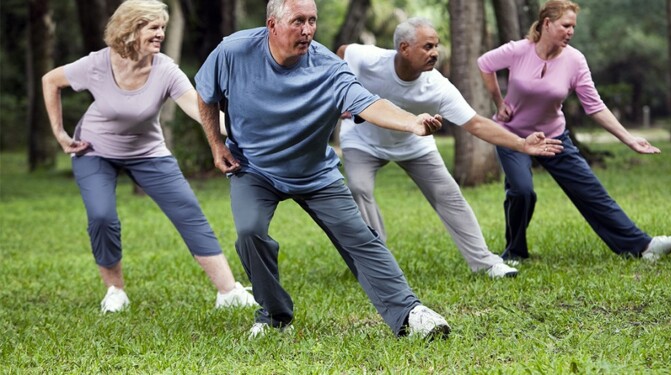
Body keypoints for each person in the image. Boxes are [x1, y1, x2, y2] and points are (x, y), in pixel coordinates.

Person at [194, 0, 451, 339]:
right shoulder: (234, 51)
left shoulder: (329, 68)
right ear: (272, 25)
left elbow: (369, 102)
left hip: (314, 173)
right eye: (298, 21)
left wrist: (411, 123)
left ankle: (410, 313)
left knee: (361, 239)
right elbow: (205, 94)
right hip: (254, 168)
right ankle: (274, 317)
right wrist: (216, 145)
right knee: (249, 232)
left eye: (312, 20)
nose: (308, 30)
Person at [41, 0, 257, 313]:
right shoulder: (98, 64)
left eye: (163, 28)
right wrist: (59, 133)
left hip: (147, 151)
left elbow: (201, 111)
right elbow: (51, 80)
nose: (160, 34)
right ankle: (115, 290)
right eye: (153, 27)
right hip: (94, 149)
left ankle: (228, 291)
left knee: (189, 212)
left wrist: (247, 130)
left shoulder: (166, 70)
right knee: (102, 217)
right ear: (130, 29)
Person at [336, 18, 564, 279]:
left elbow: (477, 124)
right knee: (359, 188)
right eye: (427, 46)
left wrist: (522, 143)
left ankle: (486, 263)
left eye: (437, 46)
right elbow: (343, 52)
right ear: (404, 48)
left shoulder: (438, 87)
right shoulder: (370, 59)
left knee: (450, 196)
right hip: (362, 139)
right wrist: (343, 93)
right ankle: (377, 263)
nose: (435, 53)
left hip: (414, 143)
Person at [476, 0, 671, 262]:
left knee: (591, 192)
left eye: (573, 26)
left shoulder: (574, 60)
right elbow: (484, 64)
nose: (571, 31)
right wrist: (499, 102)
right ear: (547, 24)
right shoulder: (519, 50)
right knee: (521, 191)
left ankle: (644, 247)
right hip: (513, 136)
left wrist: (629, 140)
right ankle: (515, 252)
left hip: (554, 136)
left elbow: (594, 106)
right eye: (566, 25)